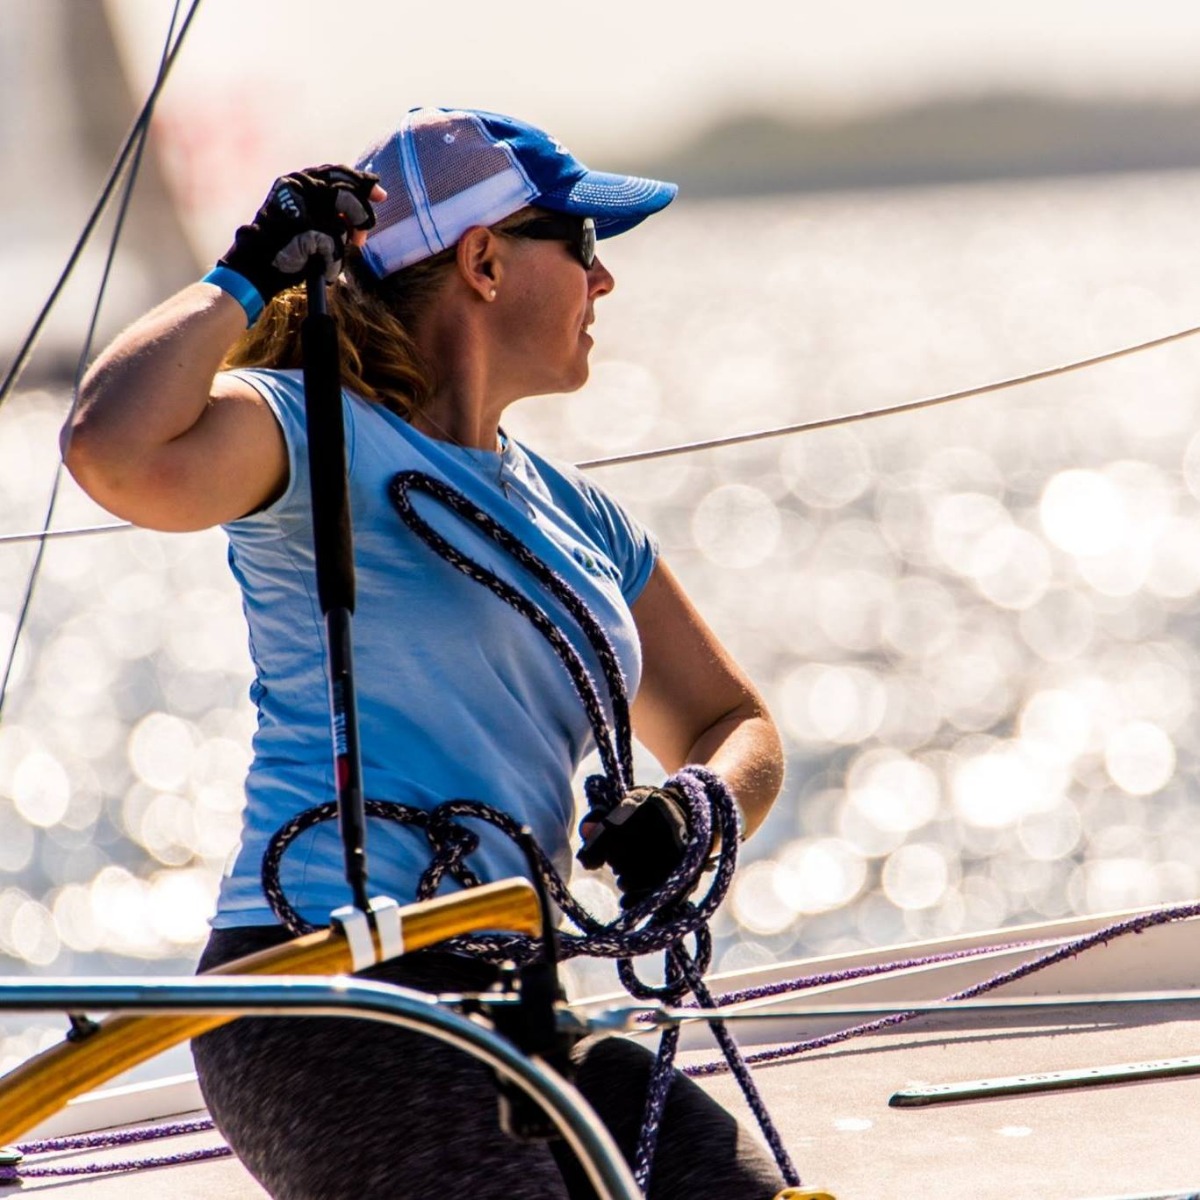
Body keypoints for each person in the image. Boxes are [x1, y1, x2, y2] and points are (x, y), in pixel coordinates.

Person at [65, 107, 786, 1199]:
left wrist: (699, 810)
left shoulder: (584, 518)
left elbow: (733, 722)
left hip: (514, 993)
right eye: (584, 245)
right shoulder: (305, 427)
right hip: (316, 989)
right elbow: (111, 449)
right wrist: (249, 271)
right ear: (485, 260)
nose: (605, 282)